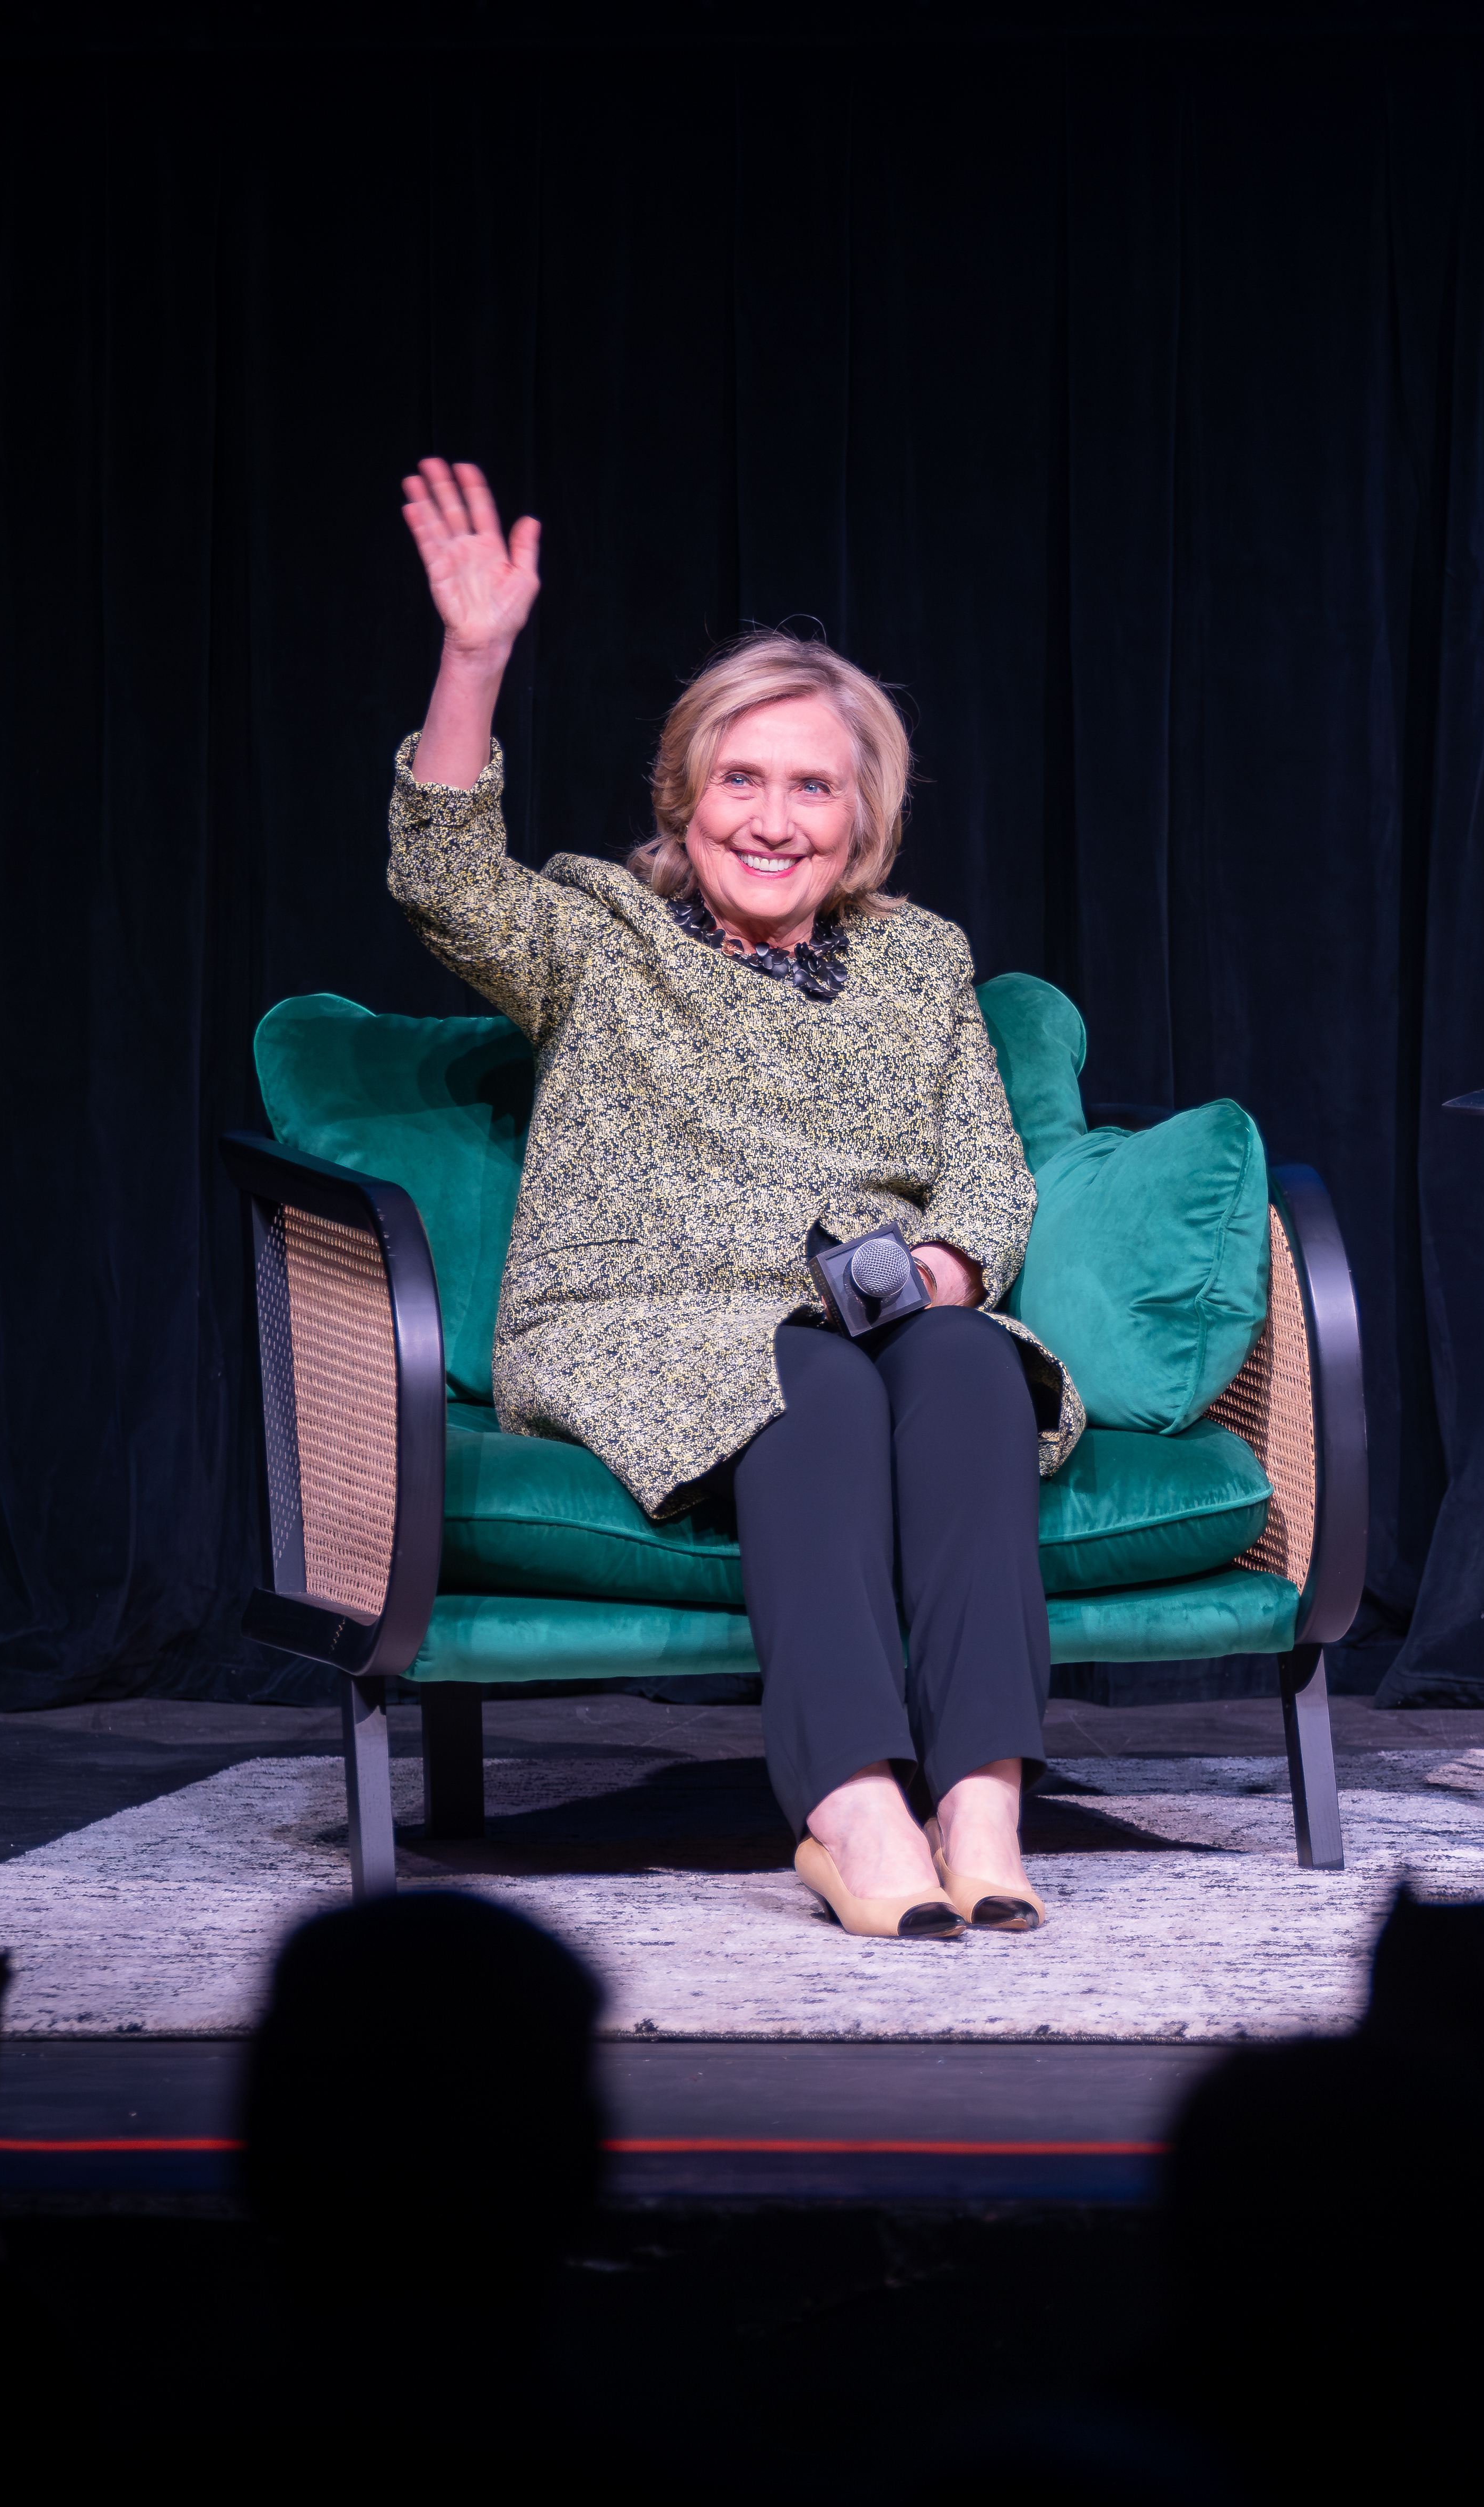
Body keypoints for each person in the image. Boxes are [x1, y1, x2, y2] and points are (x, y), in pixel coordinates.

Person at [392, 459, 1081, 1938]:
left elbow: (985, 1172)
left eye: (813, 785)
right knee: (810, 1383)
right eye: (740, 777)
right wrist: (475, 658)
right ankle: (850, 1804)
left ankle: (981, 1793)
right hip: (646, 1319)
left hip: (872, 1308)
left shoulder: (919, 961)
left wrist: (946, 1274)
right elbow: (445, 879)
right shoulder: (599, 932)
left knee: (966, 1363)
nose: (773, 818)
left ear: (863, 818)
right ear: (684, 794)